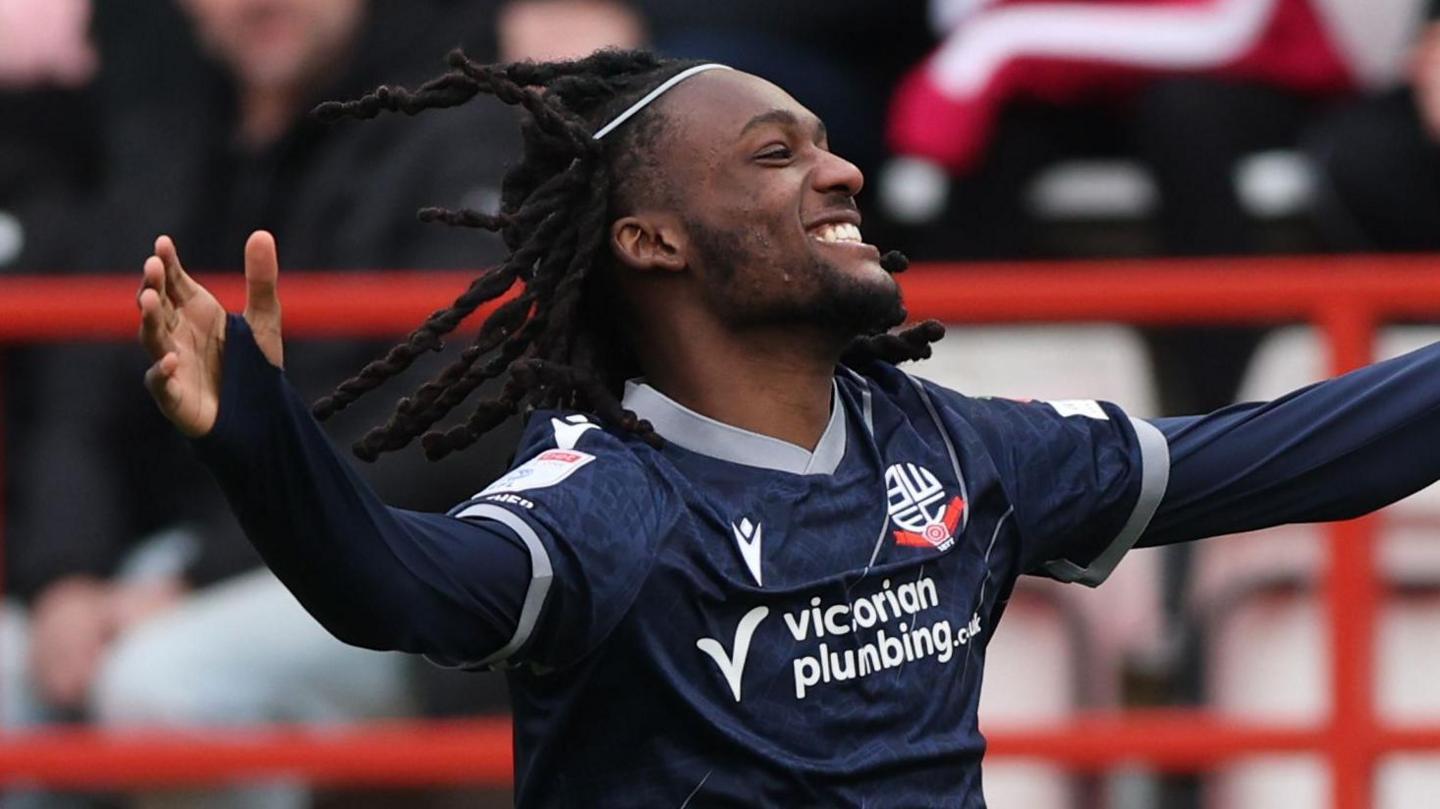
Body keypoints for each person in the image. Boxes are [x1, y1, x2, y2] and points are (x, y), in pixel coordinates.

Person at [136, 48, 1440, 806]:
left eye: (825, 144)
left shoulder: (957, 451)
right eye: (774, 154)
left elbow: (1293, 455)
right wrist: (258, 435)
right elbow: (390, 587)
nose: (841, 170)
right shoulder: (601, 509)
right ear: (650, 239)